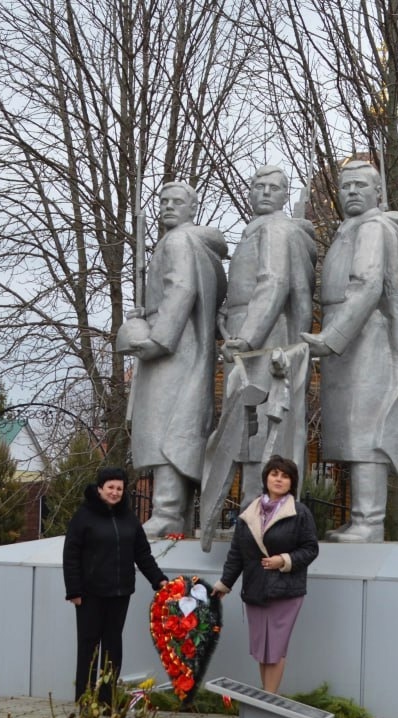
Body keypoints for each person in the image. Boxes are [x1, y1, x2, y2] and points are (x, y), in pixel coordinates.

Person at [301, 160, 398, 542]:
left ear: (377, 194)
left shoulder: (372, 228)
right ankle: (360, 518)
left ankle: (370, 520)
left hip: (365, 337)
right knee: (352, 429)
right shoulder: (349, 230)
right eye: (345, 186)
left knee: (368, 428)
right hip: (349, 337)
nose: (350, 192)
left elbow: (367, 285)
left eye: (359, 186)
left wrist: (330, 337)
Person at [117, 182, 227, 536]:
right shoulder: (202, 247)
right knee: (180, 426)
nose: (167, 206)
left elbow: (181, 290)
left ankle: (166, 511)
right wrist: (147, 309)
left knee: (169, 428)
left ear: (192, 207)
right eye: (163, 201)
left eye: (177, 201)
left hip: (174, 350)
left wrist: (157, 339)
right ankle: (175, 513)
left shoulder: (179, 241)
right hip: (193, 347)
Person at [218, 165, 316, 500]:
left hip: (261, 337)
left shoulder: (275, 227)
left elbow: (273, 284)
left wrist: (246, 338)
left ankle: (257, 504)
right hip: (247, 329)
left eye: (273, 188)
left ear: (285, 195)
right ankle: (252, 503)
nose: (263, 193)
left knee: (258, 419)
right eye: (258, 186)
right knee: (249, 424)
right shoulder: (256, 228)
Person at [211, 456, 319, 693]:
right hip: (256, 588)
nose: (279, 479)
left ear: (292, 482)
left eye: (285, 476)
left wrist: (284, 560)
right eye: (274, 474)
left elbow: (311, 549)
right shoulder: (250, 512)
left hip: (286, 590)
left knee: (276, 648)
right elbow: (237, 552)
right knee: (263, 649)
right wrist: (224, 584)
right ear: (266, 478)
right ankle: (265, 697)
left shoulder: (299, 513)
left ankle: (270, 701)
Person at [63, 466, 168, 703]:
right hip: (90, 594)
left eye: (119, 488)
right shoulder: (84, 516)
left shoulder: (128, 518)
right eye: (110, 487)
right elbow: (71, 554)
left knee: (113, 649)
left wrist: (158, 580)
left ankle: (107, 700)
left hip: (120, 593)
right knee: (89, 648)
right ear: (100, 488)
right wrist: (74, 590)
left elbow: (142, 554)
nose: (115, 492)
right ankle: (85, 699)